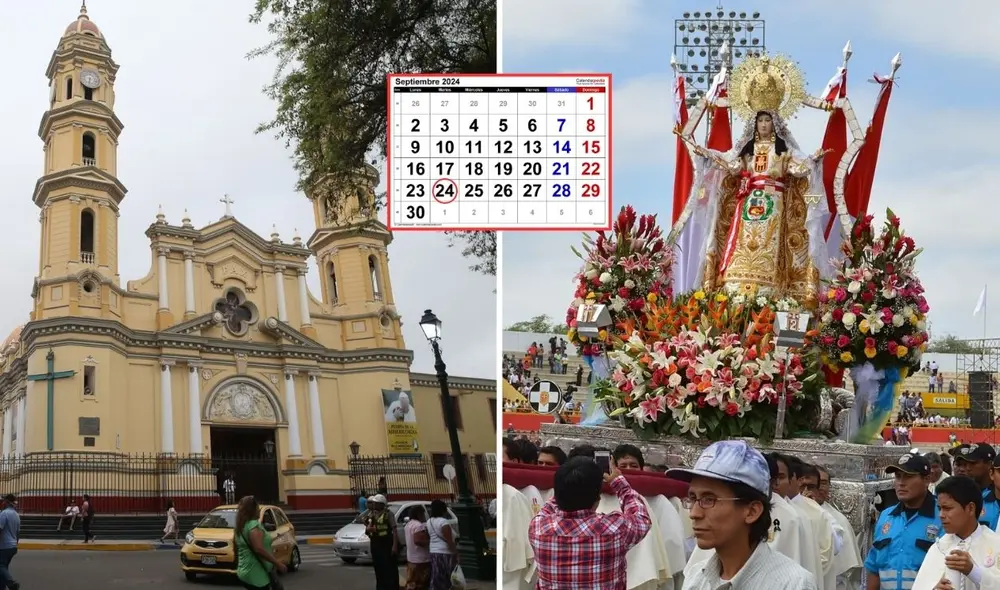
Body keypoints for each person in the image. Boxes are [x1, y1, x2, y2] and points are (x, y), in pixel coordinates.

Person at [671, 60, 832, 304]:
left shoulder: (784, 150)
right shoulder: (747, 150)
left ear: (775, 123)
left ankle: (771, 290)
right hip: (747, 203)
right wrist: (708, 154)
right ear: (755, 124)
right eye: (760, 121)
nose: (764, 125)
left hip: (774, 204)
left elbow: (798, 168)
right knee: (742, 243)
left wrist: (813, 161)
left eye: (768, 120)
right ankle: (735, 286)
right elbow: (731, 163)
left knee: (770, 244)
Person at [668, 441, 815, 589]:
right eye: (693, 498)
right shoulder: (696, 577)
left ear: (752, 511)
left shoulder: (793, 584)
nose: (694, 513)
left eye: (709, 500)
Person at [528, 456, 651, 590]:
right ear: (598, 497)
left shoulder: (538, 528)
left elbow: (549, 507)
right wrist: (618, 483)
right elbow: (641, 518)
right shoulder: (615, 529)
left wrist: (568, 483)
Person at [866, 453, 942, 590]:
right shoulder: (886, 516)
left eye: (909, 476)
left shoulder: (942, 516)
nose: (901, 483)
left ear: (926, 480)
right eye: (898, 476)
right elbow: (873, 567)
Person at [912, 476, 1000, 589]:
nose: (941, 515)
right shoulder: (939, 548)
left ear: (970, 508)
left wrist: (973, 572)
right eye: (939, 508)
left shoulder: (996, 544)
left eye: (947, 508)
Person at [233, 495, 286, 590]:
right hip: (256, 573)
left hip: (244, 570)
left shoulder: (240, 527)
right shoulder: (254, 525)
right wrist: (277, 564)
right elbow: (259, 549)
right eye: (257, 507)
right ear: (252, 510)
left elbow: (236, 548)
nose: (259, 510)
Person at [365, 494, 399, 590]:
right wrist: (368, 529)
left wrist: (394, 546)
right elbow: (368, 529)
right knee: (378, 568)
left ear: (382, 504)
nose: (374, 505)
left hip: (386, 544)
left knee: (389, 568)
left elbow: (394, 530)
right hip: (375, 544)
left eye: (376, 503)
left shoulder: (388, 514)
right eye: (373, 503)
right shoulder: (371, 514)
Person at [426, 499, 457, 590]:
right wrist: (456, 554)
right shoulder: (444, 522)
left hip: (434, 552)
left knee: (437, 576)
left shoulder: (429, 521)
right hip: (445, 552)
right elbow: (449, 541)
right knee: (449, 577)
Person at [404, 504, 431, 590]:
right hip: (421, 559)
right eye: (423, 514)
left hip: (411, 558)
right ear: (419, 514)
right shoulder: (419, 526)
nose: (424, 516)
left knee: (412, 583)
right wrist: (430, 542)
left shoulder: (408, 525)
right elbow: (418, 540)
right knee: (421, 584)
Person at [0, 494, 19, 590]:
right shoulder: (16, 515)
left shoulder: (4, 513)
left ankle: (11, 582)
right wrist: (16, 544)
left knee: (1, 566)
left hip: (4, 546)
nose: (2, 503)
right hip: (13, 546)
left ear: (7, 502)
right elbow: (18, 533)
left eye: (4, 501)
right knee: (3, 568)